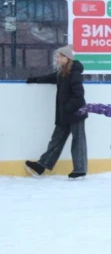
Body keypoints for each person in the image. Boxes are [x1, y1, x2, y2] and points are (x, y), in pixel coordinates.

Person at [24, 45, 88, 179]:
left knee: (78, 140)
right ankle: (41, 166)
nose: (57, 59)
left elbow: (79, 95)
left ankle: (80, 170)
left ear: (67, 58)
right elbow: (52, 78)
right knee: (56, 140)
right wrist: (36, 79)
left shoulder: (74, 73)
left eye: (59, 57)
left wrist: (69, 107)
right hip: (64, 113)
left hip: (75, 112)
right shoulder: (62, 72)